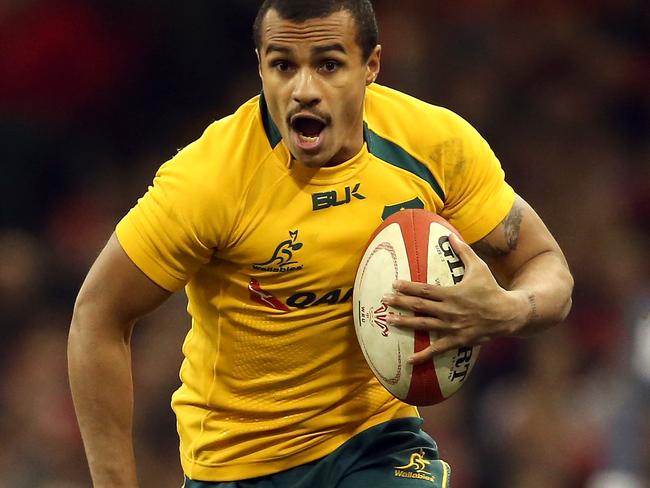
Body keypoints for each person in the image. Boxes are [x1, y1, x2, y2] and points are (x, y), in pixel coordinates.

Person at [67, 1, 574, 487]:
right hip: (236, 465)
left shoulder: (434, 146)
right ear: (260, 68)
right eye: (283, 65)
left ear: (370, 65)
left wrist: (507, 310)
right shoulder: (209, 181)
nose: (303, 89)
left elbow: (543, 262)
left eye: (329, 64)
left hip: (376, 442)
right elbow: (98, 315)